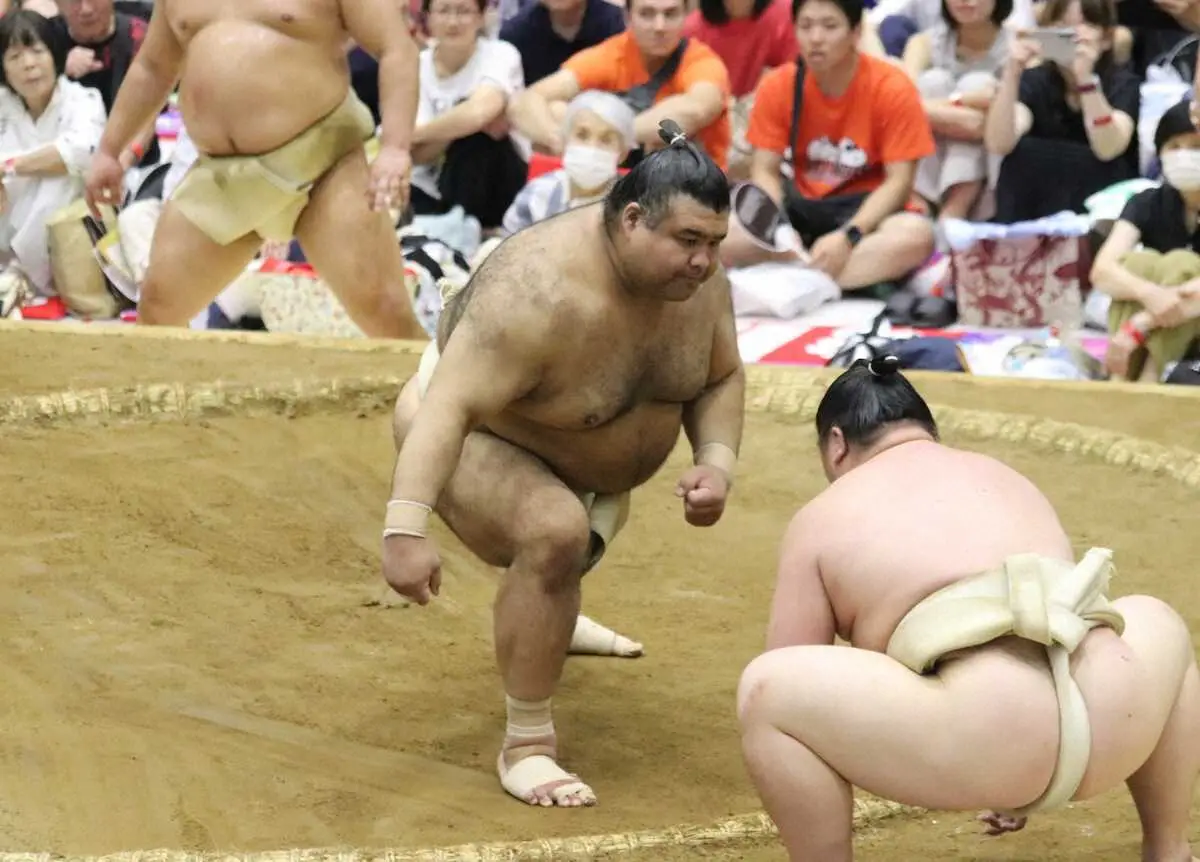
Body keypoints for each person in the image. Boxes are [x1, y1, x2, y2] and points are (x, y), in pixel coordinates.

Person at [382, 121, 743, 808]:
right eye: (688, 242)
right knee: (553, 533)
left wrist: (716, 461)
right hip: (480, 431)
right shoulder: (536, 290)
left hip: (581, 455)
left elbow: (720, 376)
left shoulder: (699, 284)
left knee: (558, 550)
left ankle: (546, 614)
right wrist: (405, 528)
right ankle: (526, 744)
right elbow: (450, 410)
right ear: (633, 219)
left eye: (714, 243)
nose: (703, 261)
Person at [736, 355, 1200, 862]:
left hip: (987, 741)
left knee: (769, 691)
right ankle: (1168, 848)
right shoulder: (1004, 475)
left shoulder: (821, 516)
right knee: (1155, 617)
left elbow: (799, 659)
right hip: (1118, 722)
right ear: (926, 431)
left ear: (838, 443)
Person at [82, 0, 428, 339]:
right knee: (158, 310)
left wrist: (396, 147)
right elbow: (153, 68)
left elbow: (396, 48)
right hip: (223, 179)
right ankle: (170, 396)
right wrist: (110, 150)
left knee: (386, 313)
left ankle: (442, 396)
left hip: (322, 162)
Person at [745, 0, 937, 291]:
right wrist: (778, 227)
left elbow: (899, 183)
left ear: (856, 32)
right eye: (806, 26)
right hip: (801, 214)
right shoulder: (778, 85)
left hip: (866, 217)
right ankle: (819, 278)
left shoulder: (892, 86)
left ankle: (802, 284)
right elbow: (764, 170)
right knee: (728, 231)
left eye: (830, 26)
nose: (816, 38)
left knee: (915, 236)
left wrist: (849, 237)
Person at [983, 0, 1140, 223]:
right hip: (1036, 202)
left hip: (1100, 201)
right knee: (1022, 152)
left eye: (1086, 24)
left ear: (1106, 39)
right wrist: (1012, 73)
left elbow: (1108, 148)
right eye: (1062, 24)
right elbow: (999, 143)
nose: (1073, 33)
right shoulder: (1036, 80)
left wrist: (1085, 80)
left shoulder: (1123, 83)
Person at [0, 8, 105, 302]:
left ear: (55, 55)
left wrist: (8, 166)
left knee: (60, 176)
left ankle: (23, 275)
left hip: (66, 240)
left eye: (36, 51)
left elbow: (81, 152)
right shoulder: (3, 104)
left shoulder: (83, 100)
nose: (29, 65)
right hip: (6, 225)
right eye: (14, 57)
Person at [1091, 99, 1200, 383]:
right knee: (1139, 263)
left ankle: (1147, 378)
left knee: (1182, 263)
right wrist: (1150, 294)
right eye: (1174, 147)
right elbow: (1103, 271)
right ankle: (1127, 377)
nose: (1184, 155)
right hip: (1146, 329)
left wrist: (1141, 323)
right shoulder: (1148, 202)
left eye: (1195, 146)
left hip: (1183, 325)